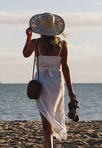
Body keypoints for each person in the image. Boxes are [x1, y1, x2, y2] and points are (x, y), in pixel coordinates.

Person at [23, 12, 77, 148]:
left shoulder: (36, 43)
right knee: (51, 120)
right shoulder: (63, 45)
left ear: (40, 29)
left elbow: (25, 54)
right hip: (57, 85)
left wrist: (28, 37)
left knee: (46, 127)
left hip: (42, 85)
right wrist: (71, 94)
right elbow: (65, 69)